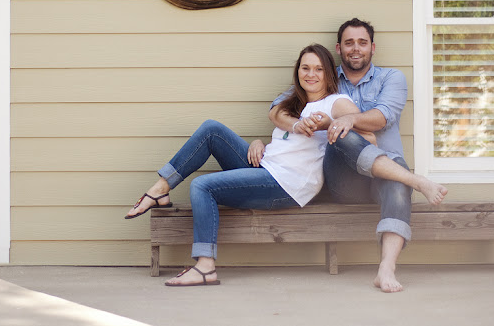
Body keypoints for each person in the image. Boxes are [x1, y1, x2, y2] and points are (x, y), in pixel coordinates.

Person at [125, 44, 375, 287]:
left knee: (202, 186)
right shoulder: (294, 103)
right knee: (212, 129)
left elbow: (368, 139)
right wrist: (259, 142)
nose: (311, 74)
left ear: (329, 73)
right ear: (297, 71)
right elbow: (288, 142)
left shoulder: (336, 103)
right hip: (266, 166)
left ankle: (205, 267)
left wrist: (332, 124)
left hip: (286, 184)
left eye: (319, 69)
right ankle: (161, 188)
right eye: (305, 68)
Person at [269, 18, 448, 293]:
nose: (356, 49)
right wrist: (273, 135)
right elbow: (279, 108)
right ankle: (416, 180)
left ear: (372, 47)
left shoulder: (392, 78)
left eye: (362, 43)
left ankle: (386, 268)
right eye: (349, 43)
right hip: (345, 178)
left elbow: (382, 118)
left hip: (387, 168)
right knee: (341, 134)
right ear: (339, 48)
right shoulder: (324, 79)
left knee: (396, 184)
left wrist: (348, 119)